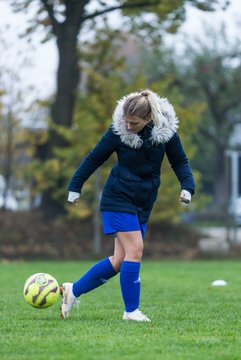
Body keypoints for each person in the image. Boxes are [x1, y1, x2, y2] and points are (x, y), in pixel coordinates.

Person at [60, 89, 195, 322]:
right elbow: (94, 158)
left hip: (143, 201)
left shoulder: (166, 133)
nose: (129, 126)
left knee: (120, 260)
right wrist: (75, 186)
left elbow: (180, 161)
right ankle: (131, 311)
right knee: (136, 250)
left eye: (134, 123)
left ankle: (73, 290)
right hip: (117, 198)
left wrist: (187, 187)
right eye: (126, 121)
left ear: (149, 118)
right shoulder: (118, 132)